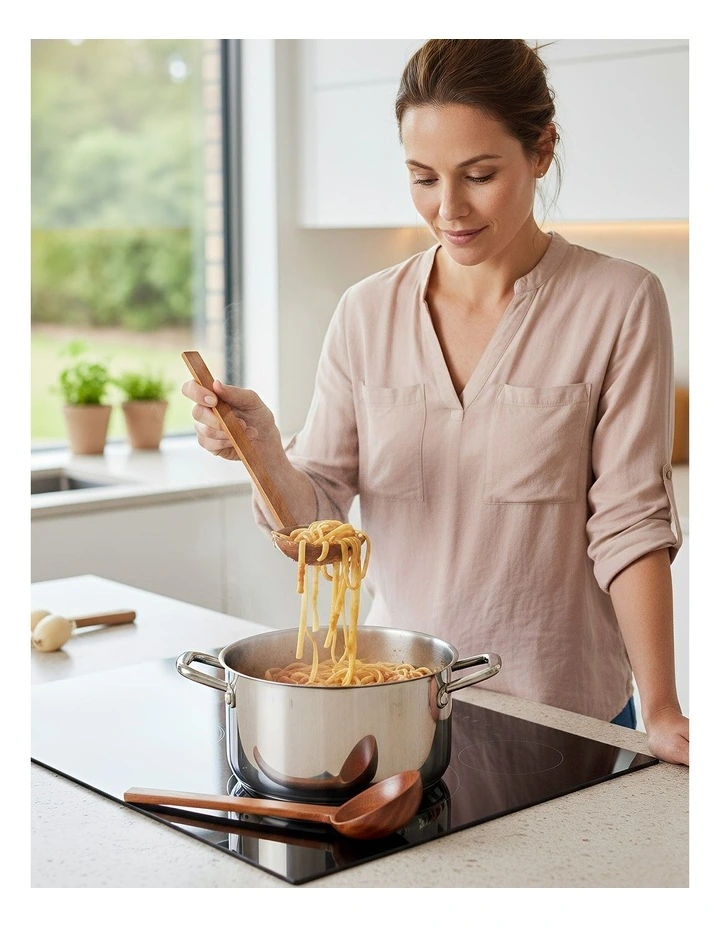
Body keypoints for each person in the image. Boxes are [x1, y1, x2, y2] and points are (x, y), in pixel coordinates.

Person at [183, 39, 689, 766]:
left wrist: (664, 705)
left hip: (568, 715)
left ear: (541, 150)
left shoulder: (620, 301)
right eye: (422, 178)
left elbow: (630, 519)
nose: (448, 209)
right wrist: (262, 451)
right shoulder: (367, 312)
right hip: (406, 710)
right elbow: (317, 525)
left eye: (479, 175)